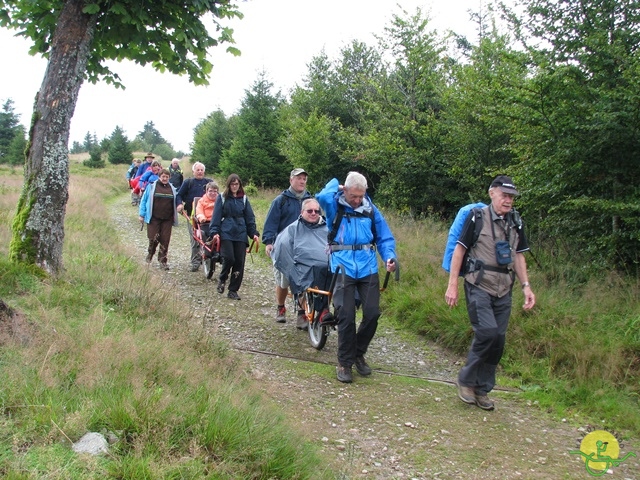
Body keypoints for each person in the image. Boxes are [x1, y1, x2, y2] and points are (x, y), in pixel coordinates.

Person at [445, 175, 536, 411]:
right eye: (504, 195)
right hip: (478, 284)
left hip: (504, 288)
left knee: (498, 341)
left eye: (512, 197)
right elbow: (459, 250)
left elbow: (518, 255)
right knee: (487, 332)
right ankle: (466, 380)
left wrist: (526, 286)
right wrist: (452, 284)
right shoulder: (476, 217)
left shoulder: (516, 221)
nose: (508, 201)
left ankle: (482, 389)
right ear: (492, 193)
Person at [316, 172, 398, 384]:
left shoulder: (370, 209)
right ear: (346, 191)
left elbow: (384, 236)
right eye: (354, 196)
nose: (357, 200)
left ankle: (357, 353)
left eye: (361, 196)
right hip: (342, 265)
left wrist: (389, 256)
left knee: (372, 314)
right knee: (346, 314)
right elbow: (322, 196)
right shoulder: (335, 204)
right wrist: (337, 184)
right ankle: (344, 363)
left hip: (367, 265)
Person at [271, 198, 330, 331]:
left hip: (320, 265)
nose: (314, 213)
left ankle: (312, 312)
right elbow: (283, 246)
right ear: (302, 212)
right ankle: (281, 306)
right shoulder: (293, 229)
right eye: (310, 211)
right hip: (298, 262)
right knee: (285, 282)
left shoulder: (327, 228)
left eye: (317, 211)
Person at [262, 168, 311, 326]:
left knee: (304, 281)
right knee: (283, 282)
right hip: (283, 247)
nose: (302, 181)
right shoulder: (281, 200)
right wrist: (269, 242)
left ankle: (302, 313)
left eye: (304, 178)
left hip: (304, 247)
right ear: (291, 180)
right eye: (299, 178)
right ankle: (281, 307)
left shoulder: (310, 200)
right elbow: (271, 223)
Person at [208, 174, 260, 301]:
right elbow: (216, 216)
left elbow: (249, 217)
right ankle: (222, 279)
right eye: (232, 184)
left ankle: (233, 290)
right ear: (228, 185)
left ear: (240, 185)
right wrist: (214, 231)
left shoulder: (244, 199)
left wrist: (253, 233)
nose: (234, 186)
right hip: (226, 231)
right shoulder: (222, 198)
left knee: (239, 262)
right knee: (229, 258)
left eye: (236, 184)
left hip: (241, 232)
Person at [138, 168, 179, 270]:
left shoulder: (172, 189)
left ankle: (162, 261)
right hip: (154, 218)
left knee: (165, 240)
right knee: (153, 238)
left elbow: (176, 201)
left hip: (167, 219)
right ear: (159, 177)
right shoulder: (151, 187)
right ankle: (150, 254)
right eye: (163, 176)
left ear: (169, 177)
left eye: (167, 177)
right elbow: (144, 200)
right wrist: (141, 214)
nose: (165, 178)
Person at [176, 162, 212, 271]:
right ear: (193, 171)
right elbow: (179, 195)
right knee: (195, 238)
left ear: (204, 171)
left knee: (209, 238)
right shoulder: (188, 182)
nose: (200, 172)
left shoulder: (209, 183)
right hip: (193, 215)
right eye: (198, 170)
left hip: (208, 216)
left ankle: (208, 259)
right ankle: (195, 261)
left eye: (202, 170)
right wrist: (179, 204)